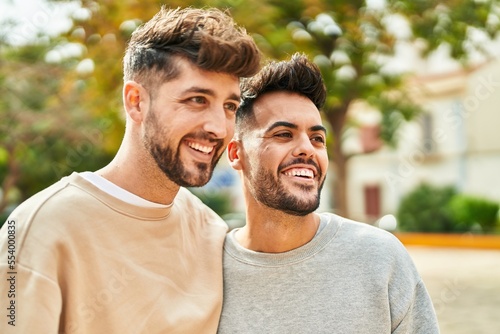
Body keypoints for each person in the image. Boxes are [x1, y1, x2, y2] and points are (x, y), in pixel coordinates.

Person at [0, 6, 261, 333]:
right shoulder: (35, 230)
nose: (219, 128)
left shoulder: (211, 231)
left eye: (229, 106)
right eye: (196, 99)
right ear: (136, 101)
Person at [217, 53, 439, 333]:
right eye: (284, 134)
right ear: (236, 153)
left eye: (317, 138)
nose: (307, 149)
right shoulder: (209, 269)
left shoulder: (380, 258)